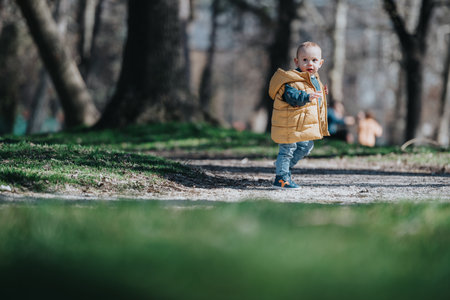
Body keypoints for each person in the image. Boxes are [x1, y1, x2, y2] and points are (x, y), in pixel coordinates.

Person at [268, 41, 329, 188]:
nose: (310, 64)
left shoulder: (315, 80)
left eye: (314, 60)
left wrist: (321, 94)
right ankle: (281, 179)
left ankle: (282, 166)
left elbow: (316, 101)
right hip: (290, 124)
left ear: (320, 63)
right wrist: (306, 97)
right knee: (288, 150)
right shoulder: (292, 79)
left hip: (301, 125)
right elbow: (291, 96)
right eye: (305, 60)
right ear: (297, 61)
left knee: (306, 146)